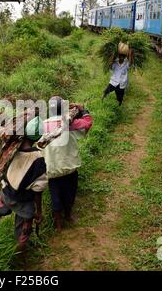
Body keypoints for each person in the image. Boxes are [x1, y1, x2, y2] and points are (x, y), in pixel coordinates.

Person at [0, 116, 47, 252]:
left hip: (6, 193)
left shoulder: (11, 148)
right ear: (38, 137)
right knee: (24, 229)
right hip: (24, 200)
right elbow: (38, 189)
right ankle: (19, 254)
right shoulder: (38, 158)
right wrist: (38, 211)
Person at [43, 97, 93, 231]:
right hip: (70, 167)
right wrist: (83, 110)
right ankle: (68, 216)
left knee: (55, 196)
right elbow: (88, 123)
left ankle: (58, 224)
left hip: (52, 169)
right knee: (70, 193)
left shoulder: (44, 125)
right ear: (65, 109)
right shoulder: (71, 123)